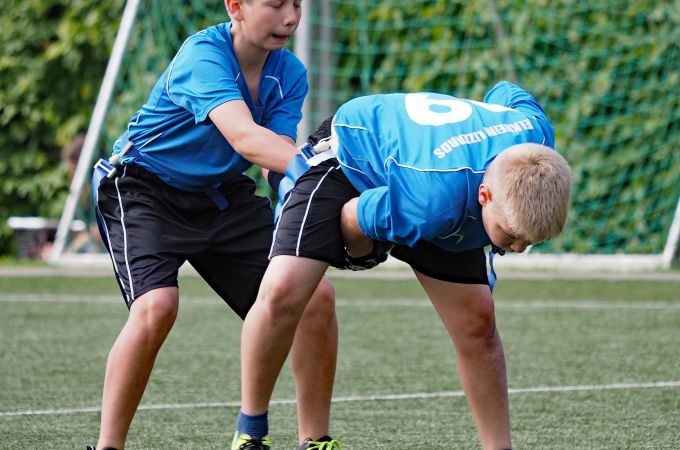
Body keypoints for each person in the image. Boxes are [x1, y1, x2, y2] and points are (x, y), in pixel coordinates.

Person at [238, 80, 572, 450]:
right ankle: (250, 431)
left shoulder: (536, 133)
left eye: (530, 241)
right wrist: (358, 252)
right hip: (350, 159)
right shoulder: (428, 204)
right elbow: (353, 223)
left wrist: (470, 133)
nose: (519, 248)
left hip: (436, 180)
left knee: (477, 321)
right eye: (510, 236)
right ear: (485, 194)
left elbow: (505, 91)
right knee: (285, 290)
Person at [88, 1, 340, 449]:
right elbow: (244, 137)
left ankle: (314, 441)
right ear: (236, 6)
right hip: (143, 188)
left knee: (314, 295)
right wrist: (333, 172)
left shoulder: (291, 73)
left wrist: (322, 199)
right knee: (156, 307)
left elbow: (274, 157)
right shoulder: (202, 55)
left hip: (221, 195)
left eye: (297, 3)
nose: (291, 17)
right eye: (276, 3)